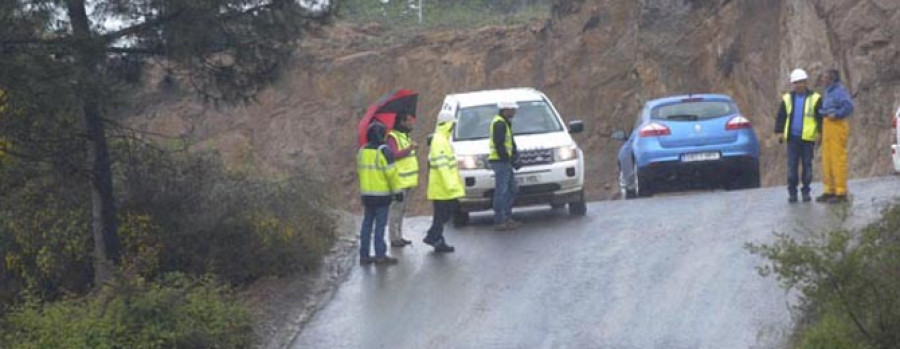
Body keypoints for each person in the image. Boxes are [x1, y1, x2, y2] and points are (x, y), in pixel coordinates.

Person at [775, 69, 823, 203]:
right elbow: (781, 117)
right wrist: (779, 133)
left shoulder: (815, 98)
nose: (798, 85)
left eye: (800, 82)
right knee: (792, 167)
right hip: (792, 139)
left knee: (807, 166)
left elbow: (820, 118)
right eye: (795, 83)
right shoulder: (787, 99)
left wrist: (820, 133)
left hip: (808, 139)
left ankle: (806, 191)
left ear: (806, 82)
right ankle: (792, 193)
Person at [357, 122, 403, 265]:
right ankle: (380, 255)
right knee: (380, 227)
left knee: (366, 226)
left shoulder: (362, 151)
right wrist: (398, 192)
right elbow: (392, 175)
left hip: (366, 195)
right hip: (381, 196)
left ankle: (364, 255)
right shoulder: (384, 151)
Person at [423, 111, 462, 253]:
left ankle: (437, 239)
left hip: (443, 186)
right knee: (443, 215)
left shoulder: (442, 139)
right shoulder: (439, 141)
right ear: (448, 125)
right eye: (452, 125)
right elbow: (442, 166)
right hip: (442, 187)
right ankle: (433, 237)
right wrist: (450, 184)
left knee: (442, 215)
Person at [816, 69, 855, 204]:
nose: (822, 80)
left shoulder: (839, 91)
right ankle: (829, 190)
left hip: (837, 125)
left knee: (837, 159)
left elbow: (849, 106)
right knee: (827, 159)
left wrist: (837, 114)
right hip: (827, 124)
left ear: (831, 79)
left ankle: (841, 192)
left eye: (825, 77)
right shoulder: (828, 91)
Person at [386, 112, 419, 247]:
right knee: (395, 210)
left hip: (407, 180)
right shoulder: (392, 137)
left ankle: (399, 236)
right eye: (408, 121)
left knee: (401, 210)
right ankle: (394, 238)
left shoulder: (404, 136)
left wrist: (412, 149)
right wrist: (409, 149)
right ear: (401, 122)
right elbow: (393, 155)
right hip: (399, 180)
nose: (411, 124)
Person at [489, 101, 520, 230]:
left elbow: (510, 143)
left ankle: (506, 217)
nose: (514, 112)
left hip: (504, 161)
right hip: (500, 162)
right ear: (505, 110)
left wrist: (514, 157)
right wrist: (510, 160)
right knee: (501, 191)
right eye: (512, 109)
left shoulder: (504, 123)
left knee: (512, 189)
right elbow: (500, 144)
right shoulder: (499, 123)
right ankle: (500, 219)